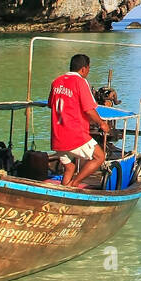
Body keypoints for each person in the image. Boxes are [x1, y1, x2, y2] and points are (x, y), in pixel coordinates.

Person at [49, 53, 108, 188]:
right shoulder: (80, 82)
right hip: (74, 135)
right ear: (83, 69)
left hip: (57, 137)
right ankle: (74, 184)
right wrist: (102, 123)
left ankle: (63, 192)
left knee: (70, 167)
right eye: (88, 69)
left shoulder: (56, 81)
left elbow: (50, 104)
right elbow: (89, 110)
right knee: (100, 157)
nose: (87, 72)